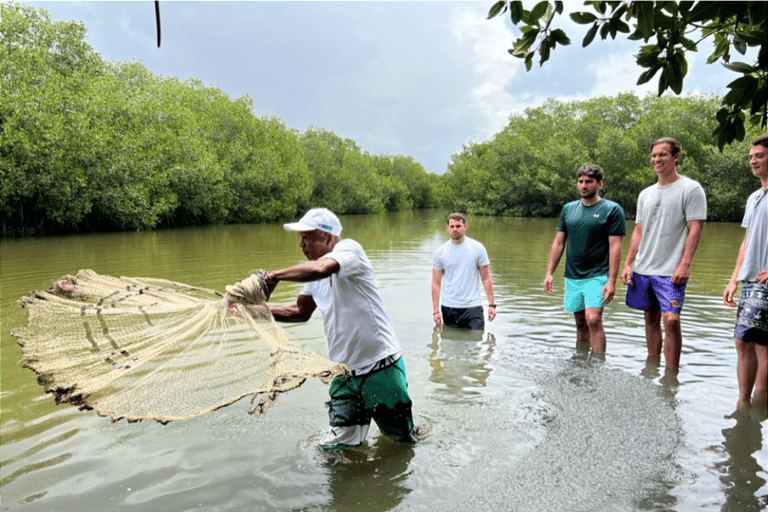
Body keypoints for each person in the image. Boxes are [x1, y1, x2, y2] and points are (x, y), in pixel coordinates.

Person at [262, 208, 418, 449]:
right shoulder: (312, 274)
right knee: (336, 450)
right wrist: (258, 313)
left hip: (381, 369)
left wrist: (272, 276)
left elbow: (321, 269)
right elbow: (300, 312)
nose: (303, 245)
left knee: (402, 442)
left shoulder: (349, 251)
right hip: (344, 375)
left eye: (308, 237)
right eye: (300, 239)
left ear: (328, 238)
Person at [621, 137, 707, 371]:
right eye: (654, 155)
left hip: (670, 271)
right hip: (643, 268)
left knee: (671, 319)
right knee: (650, 319)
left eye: (662, 155)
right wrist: (628, 263)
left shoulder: (690, 189)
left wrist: (685, 264)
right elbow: (638, 230)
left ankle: (671, 378)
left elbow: (696, 228)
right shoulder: (645, 194)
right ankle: (652, 367)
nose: (656, 159)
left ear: (676, 157)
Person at [544, 164, 626, 354]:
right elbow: (558, 243)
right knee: (580, 322)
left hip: (598, 274)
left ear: (599, 184)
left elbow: (615, 246)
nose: (583, 185)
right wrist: (549, 273)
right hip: (572, 275)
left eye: (589, 181)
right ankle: (581, 362)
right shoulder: (568, 209)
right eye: (580, 181)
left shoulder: (612, 210)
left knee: (593, 319)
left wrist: (612, 281)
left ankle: (597, 366)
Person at [722, 134, 768, 413]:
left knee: (753, 342)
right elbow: (747, 241)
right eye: (751, 156)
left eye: (759, 156)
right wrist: (733, 278)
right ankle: (750, 404)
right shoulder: (755, 197)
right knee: (751, 341)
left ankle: (751, 406)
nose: (753, 160)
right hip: (751, 280)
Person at [431, 212, 496, 331]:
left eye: (458, 226)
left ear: (465, 227)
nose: (455, 229)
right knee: (450, 344)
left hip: (473, 306)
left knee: (476, 340)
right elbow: (436, 282)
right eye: (452, 226)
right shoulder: (440, 253)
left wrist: (491, 305)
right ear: (447, 228)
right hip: (449, 307)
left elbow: (486, 277)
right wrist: (435, 311)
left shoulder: (478, 248)